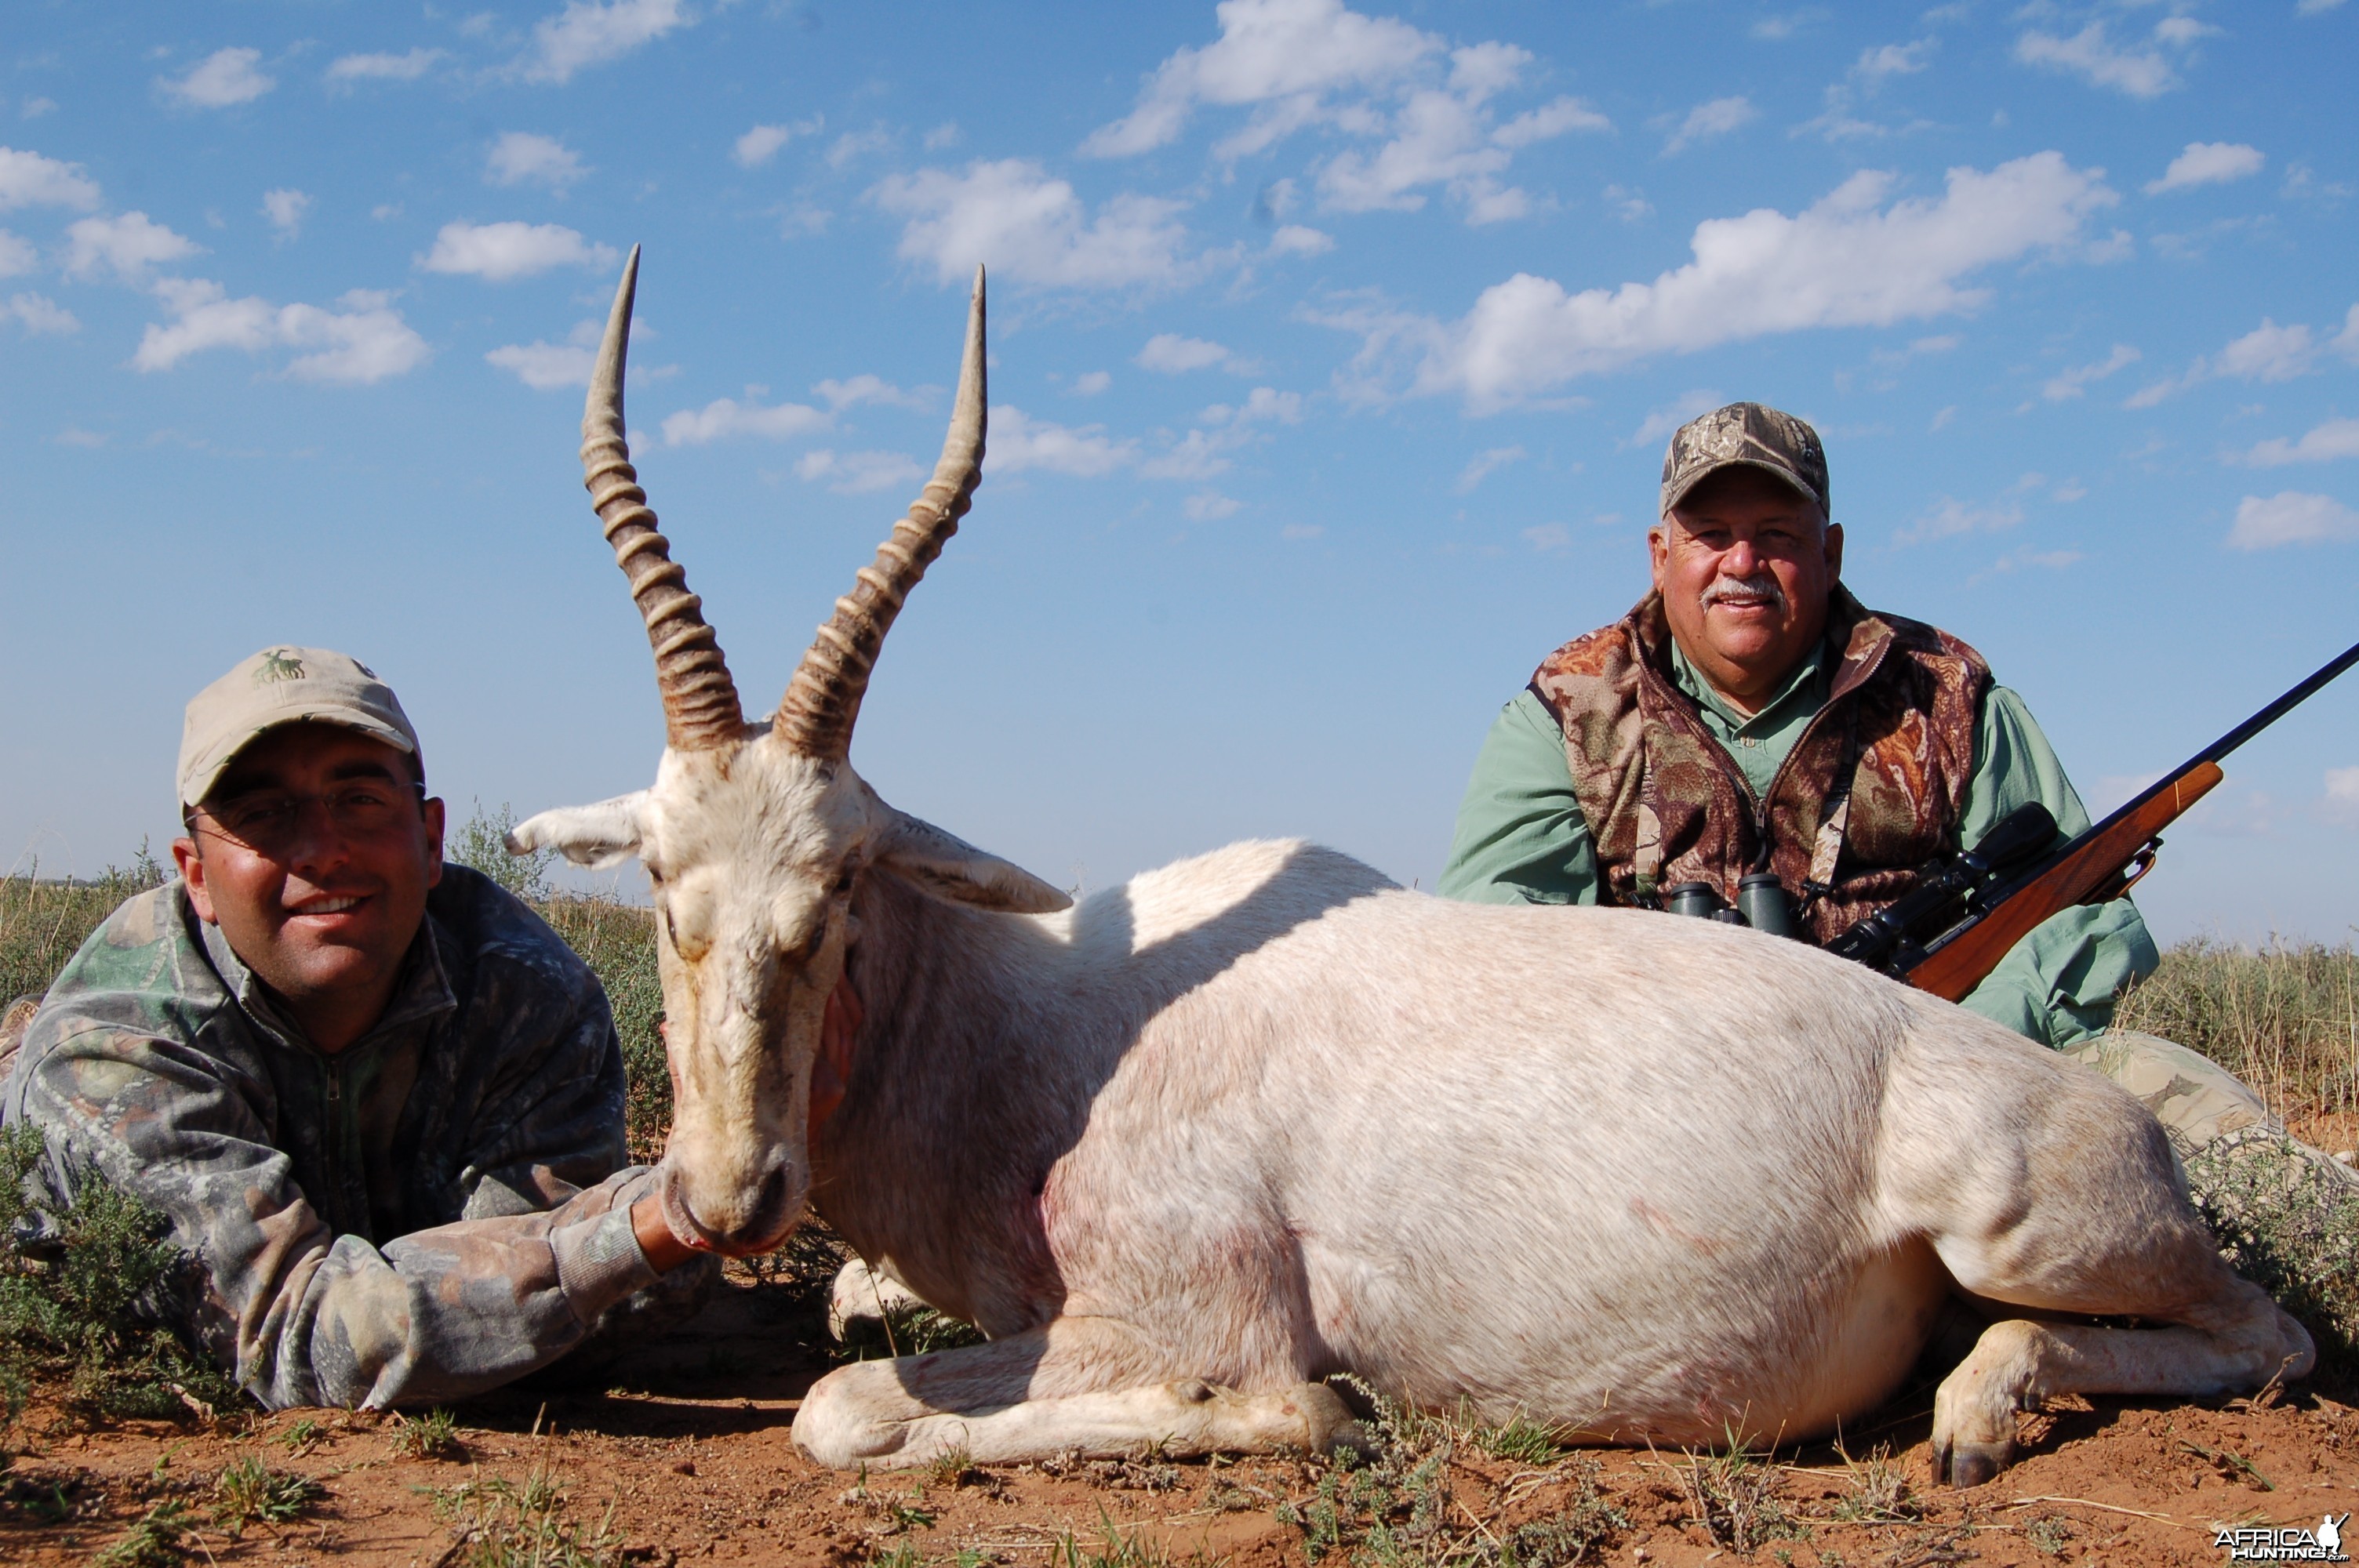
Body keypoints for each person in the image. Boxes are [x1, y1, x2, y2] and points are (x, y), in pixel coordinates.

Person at [1438, 402, 2283, 1154]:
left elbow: (2085, 908)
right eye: (1710, 534)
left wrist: (1960, 1042)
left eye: (1776, 533)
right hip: (1657, 1118)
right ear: (1660, 555)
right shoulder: (1567, 709)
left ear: (1830, 551)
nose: (1742, 561)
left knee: (2208, 1122)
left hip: (1944, 1083)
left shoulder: (1944, 692)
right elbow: (1495, 949)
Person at [1, 646, 714, 1410]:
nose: (322, 849)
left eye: (359, 799)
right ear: (197, 874)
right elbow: (298, 1339)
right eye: (260, 814)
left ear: (433, 838)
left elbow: (540, 1314)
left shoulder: (527, 995)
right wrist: (667, 1214)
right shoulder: (116, 1053)